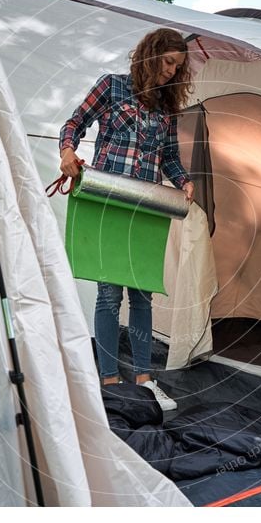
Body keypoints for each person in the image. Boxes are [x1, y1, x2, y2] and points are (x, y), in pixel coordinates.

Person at [58, 28, 194, 411]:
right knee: (108, 293)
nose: (170, 71)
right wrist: (68, 152)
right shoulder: (112, 87)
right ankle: (109, 380)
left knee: (142, 292)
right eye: (167, 62)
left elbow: (168, 157)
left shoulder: (166, 109)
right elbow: (74, 123)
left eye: (177, 67)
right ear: (151, 55)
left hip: (146, 206)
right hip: (108, 200)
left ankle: (145, 380)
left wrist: (184, 181)